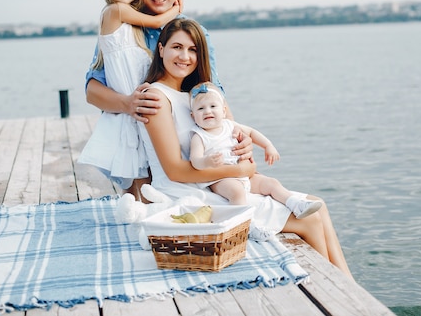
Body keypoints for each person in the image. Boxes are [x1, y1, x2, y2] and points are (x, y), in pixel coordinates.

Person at [138, 17, 352, 276]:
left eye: (193, 49)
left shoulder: (200, 95)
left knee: (318, 203)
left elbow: (237, 140)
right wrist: (240, 172)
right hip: (186, 191)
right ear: (161, 50)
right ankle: (332, 289)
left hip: (216, 183)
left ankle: (349, 285)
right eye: (177, 47)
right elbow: (175, 171)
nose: (185, 56)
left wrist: (247, 164)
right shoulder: (155, 96)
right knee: (309, 220)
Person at [84, 0, 250, 200]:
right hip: (139, 140)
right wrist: (129, 103)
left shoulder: (191, 33)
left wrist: (236, 137)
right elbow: (92, 91)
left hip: (187, 148)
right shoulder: (122, 29)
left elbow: (212, 90)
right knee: (141, 209)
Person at [79, 0, 182, 190]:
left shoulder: (132, 24)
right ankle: (138, 207)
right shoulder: (114, 12)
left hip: (146, 106)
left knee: (144, 164)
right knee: (136, 169)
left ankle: (143, 205)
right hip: (128, 102)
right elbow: (156, 23)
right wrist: (175, 9)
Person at [189, 81, 323, 220]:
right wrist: (207, 161)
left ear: (223, 111)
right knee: (237, 192)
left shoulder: (230, 125)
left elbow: (251, 132)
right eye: (201, 109)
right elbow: (195, 161)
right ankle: (246, 223)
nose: (207, 111)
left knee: (271, 183)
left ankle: (296, 204)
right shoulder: (199, 136)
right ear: (193, 116)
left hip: (243, 175)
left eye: (213, 106)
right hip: (219, 179)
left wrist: (267, 145)